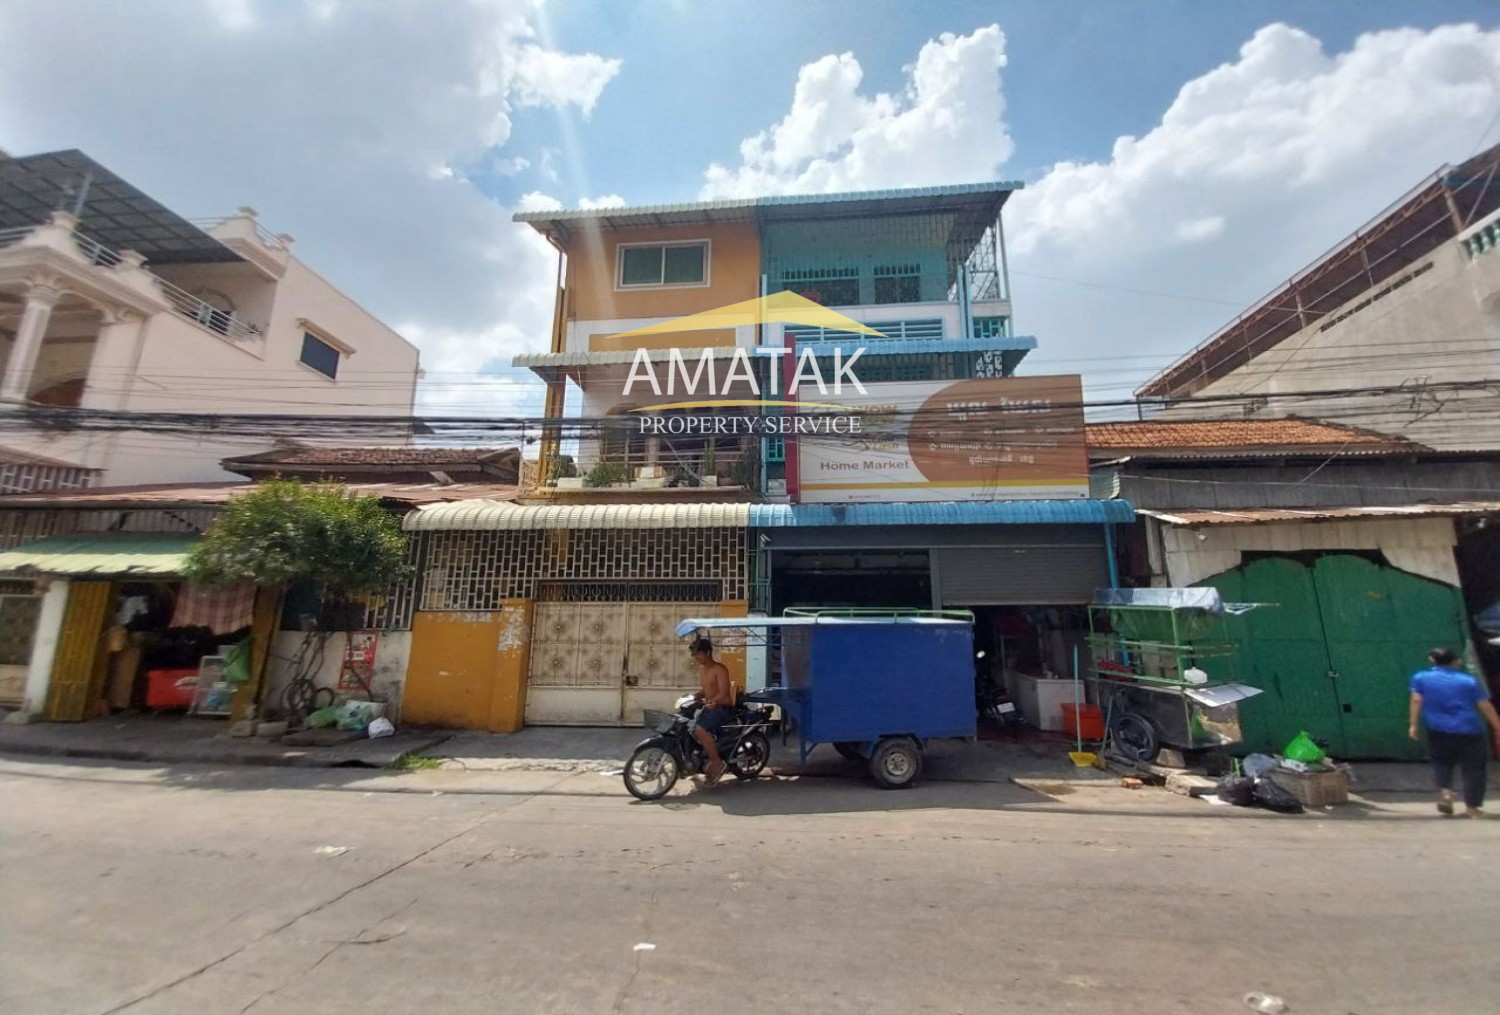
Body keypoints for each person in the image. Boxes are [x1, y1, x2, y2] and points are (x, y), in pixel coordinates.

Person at [1409, 647, 1500, 818]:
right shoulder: (1469, 681)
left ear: (1432, 661)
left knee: (1442, 762)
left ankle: (1446, 795)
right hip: (1469, 729)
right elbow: (1485, 706)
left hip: (1437, 728)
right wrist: (1498, 727)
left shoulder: (1420, 678)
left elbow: (1416, 700)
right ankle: (1472, 808)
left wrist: (1413, 724)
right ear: (1455, 661)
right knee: (1474, 769)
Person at [688, 636, 733, 786]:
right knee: (687, 725)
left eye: (698, 654)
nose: (696, 657)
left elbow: (724, 693)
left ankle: (717, 763)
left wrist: (715, 701)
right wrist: (696, 695)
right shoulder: (702, 670)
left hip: (722, 708)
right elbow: (706, 690)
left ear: (707, 653)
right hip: (708, 707)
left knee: (699, 729)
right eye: (694, 654)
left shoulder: (719, 669)